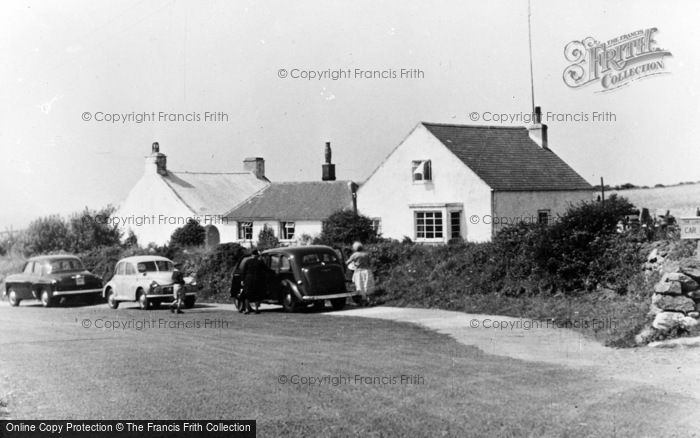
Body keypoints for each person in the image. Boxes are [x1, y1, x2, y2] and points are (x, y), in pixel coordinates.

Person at [346, 241, 375, 306]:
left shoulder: (355, 255)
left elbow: (347, 262)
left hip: (359, 272)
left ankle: (364, 301)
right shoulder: (366, 254)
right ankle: (371, 301)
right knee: (368, 286)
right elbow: (369, 263)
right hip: (367, 271)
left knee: (360, 286)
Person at [241, 249, 268, 314]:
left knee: (247, 294)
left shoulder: (247, 261)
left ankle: (247, 309)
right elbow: (266, 269)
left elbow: (243, 271)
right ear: (256, 255)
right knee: (257, 294)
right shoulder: (260, 262)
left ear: (252, 255)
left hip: (248, 279)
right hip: (257, 279)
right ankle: (256, 309)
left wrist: (242, 280)